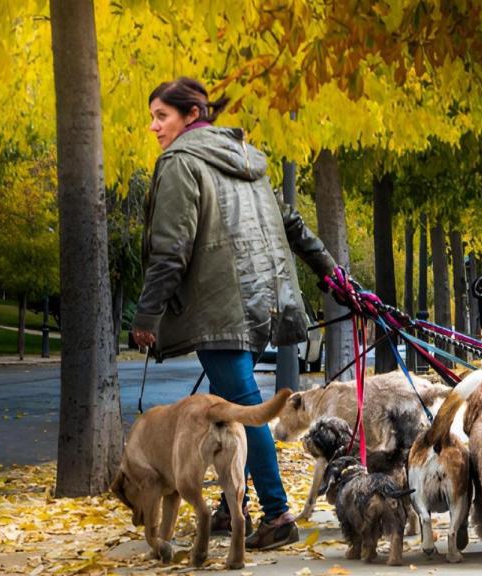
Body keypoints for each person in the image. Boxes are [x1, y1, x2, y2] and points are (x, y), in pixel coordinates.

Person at [131, 77, 339, 551]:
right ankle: (233, 506)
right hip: (261, 298)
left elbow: (170, 249)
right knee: (232, 403)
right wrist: (331, 272)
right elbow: (293, 225)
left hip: (218, 304)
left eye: (161, 116)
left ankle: (276, 512)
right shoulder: (247, 160)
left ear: (191, 115)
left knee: (244, 408)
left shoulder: (181, 162)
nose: (153, 127)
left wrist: (147, 317)